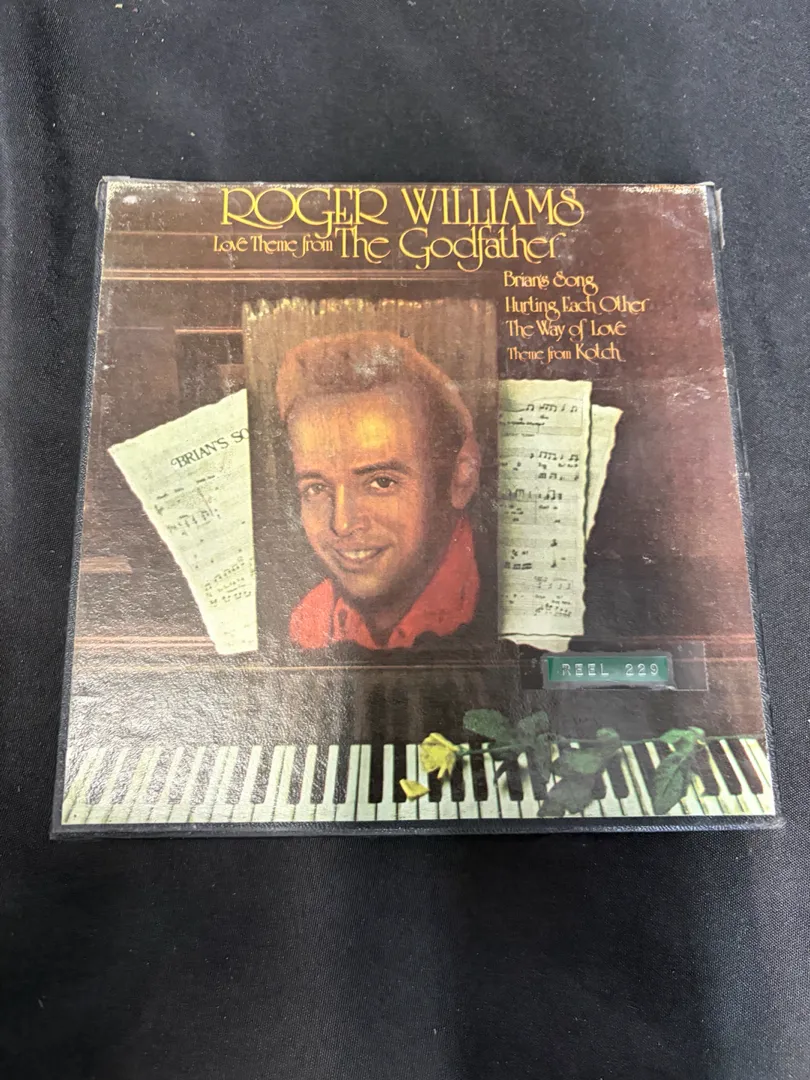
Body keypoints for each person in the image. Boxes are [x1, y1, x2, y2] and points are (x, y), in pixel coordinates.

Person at [275, 330, 481, 650]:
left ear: (461, 479)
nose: (342, 524)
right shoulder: (307, 622)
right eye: (315, 488)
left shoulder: (494, 607)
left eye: (381, 482)